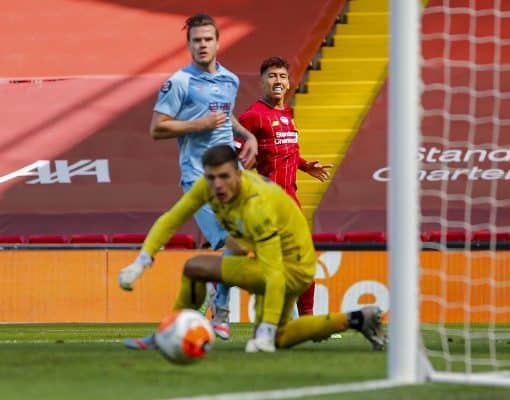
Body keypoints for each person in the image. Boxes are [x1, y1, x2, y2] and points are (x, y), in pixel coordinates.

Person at [118, 145, 386, 352]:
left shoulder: (257, 205)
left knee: (195, 267)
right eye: (211, 178)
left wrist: (264, 331)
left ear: (239, 173)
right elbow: (172, 218)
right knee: (283, 336)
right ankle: (357, 319)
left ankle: (169, 333)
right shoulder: (209, 186)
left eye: (224, 177)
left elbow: (274, 274)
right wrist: (142, 260)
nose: (217, 185)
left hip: (291, 268)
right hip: (280, 262)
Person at [123, 13, 258, 349]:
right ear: (188, 45)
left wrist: (248, 135)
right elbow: (157, 128)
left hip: (233, 179)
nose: (202, 45)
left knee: (239, 246)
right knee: (231, 245)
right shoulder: (179, 82)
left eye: (207, 39)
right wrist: (198, 125)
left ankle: (190, 318)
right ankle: (221, 312)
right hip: (199, 179)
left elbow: (224, 116)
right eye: (196, 40)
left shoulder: (230, 80)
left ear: (216, 42)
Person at [237, 56, 332, 316]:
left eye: (282, 76)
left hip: (291, 199)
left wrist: (303, 165)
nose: (277, 81)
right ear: (262, 82)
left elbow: (279, 150)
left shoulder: (287, 114)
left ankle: (303, 318)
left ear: (289, 82)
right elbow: (235, 154)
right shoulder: (253, 116)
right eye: (271, 76)